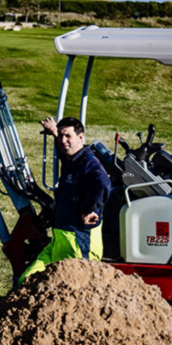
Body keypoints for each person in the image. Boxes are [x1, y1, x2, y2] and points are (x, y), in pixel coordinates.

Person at [19, 116, 111, 283]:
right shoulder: (72, 159)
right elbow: (64, 149)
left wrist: (91, 209)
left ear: (81, 137)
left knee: (76, 290)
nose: (63, 141)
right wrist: (55, 133)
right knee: (27, 280)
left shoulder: (88, 163)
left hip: (79, 243)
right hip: (59, 240)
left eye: (68, 136)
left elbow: (103, 183)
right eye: (61, 135)